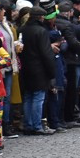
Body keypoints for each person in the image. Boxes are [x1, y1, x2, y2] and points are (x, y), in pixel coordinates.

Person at [18, 7, 56, 135]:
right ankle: (37, 125)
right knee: (38, 97)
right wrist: (52, 71)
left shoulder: (22, 29)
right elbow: (46, 53)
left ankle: (28, 124)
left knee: (28, 96)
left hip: (25, 67)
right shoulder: (41, 31)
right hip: (39, 68)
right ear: (40, 17)